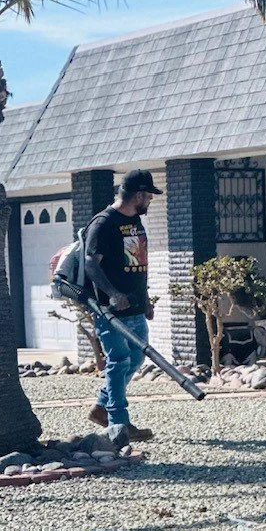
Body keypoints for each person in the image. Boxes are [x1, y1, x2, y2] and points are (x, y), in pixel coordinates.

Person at [84, 169, 163, 441]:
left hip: (136, 307)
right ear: (138, 195)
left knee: (137, 358)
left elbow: (138, 263)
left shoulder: (135, 222)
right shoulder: (104, 223)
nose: (150, 200)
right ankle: (119, 423)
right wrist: (113, 294)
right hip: (111, 311)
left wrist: (146, 299)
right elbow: (91, 263)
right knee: (118, 361)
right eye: (149, 196)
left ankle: (102, 406)